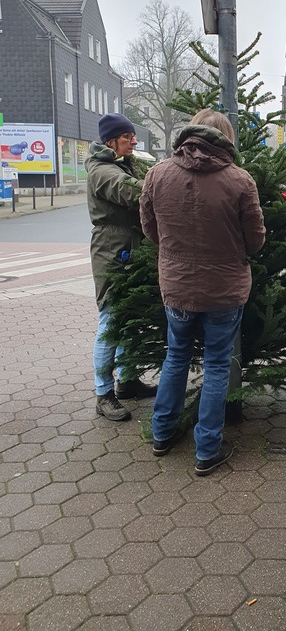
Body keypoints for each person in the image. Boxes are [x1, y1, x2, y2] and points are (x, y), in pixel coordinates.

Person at [140, 109, 266, 475]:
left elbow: (150, 230)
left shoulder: (157, 173)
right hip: (224, 289)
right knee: (215, 364)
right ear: (226, 139)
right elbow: (255, 241)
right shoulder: (240, 181)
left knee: (176, 357)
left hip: (176, 287)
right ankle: (207, 450)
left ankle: (162, 434)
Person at [86, 113, 158, 422]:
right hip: (112, 251)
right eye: (127, 136)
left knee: (130, 319)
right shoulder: (103, 171)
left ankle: (128, 380)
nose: (133, 140)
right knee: (112, 320)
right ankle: (103, 393)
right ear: (111, 140)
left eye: (133, 136)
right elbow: (132, 191)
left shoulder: (121, 163)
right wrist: (169, 186)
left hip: (131, 248)